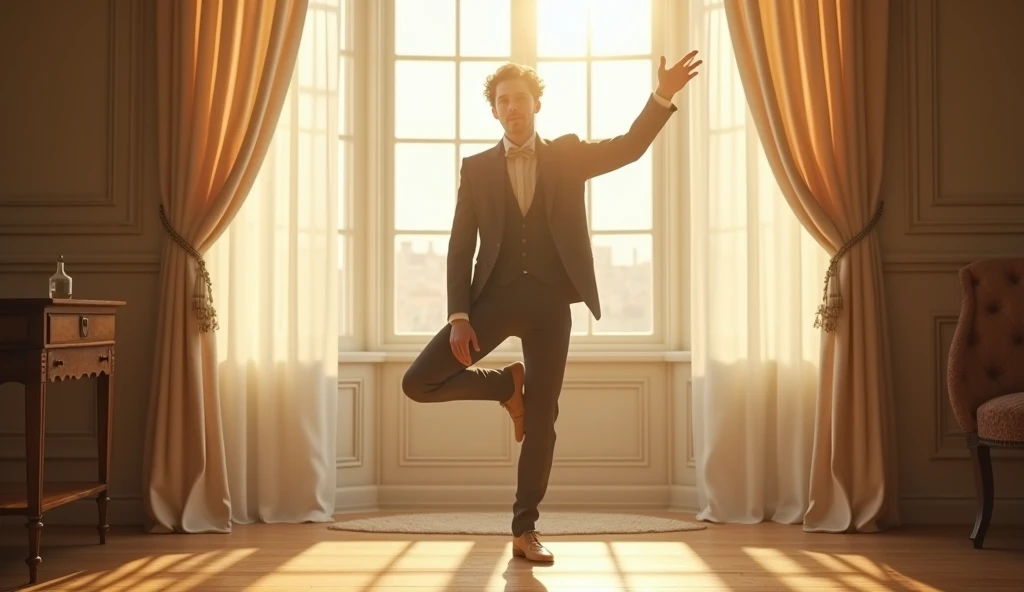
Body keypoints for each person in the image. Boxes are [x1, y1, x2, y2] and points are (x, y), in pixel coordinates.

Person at [402, 51, 701, 562]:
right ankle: (504, 385)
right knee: (418, 382)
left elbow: (629, 149)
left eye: (520, 98)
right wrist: (459, 316)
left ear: (536, 104)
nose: (513, 107)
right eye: (503, 101)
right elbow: (460, 246)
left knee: (542, 418)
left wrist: (663, 95)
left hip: (548, 305)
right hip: (491, 301)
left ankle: (524, 529)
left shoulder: (566, 155)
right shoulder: (475, 169)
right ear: (494, 112)